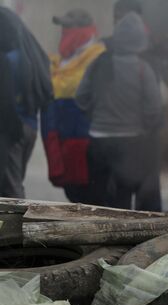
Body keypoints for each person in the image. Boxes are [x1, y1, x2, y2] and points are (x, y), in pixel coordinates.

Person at [75, 12, 162, 210]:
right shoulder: (143, 69)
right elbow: (154, 107)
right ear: (140, 40)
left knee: (98, 200)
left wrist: (95, 116)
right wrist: (144, 125)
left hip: (98, 140)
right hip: (131, 143)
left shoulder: (98, 63)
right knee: (123, 199)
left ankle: (94, 237)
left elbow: (80, 97)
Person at [41, 9, 106, 203]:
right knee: (73, 194)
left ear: (85, 30)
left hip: (86, 141)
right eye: (63, 27)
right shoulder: (60, 60)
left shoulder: (97, 57)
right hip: (62, 139)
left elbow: (76, 89)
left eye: (69, 27)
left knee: (91, 197)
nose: (64, 31)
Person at [0, 7, 53, 198]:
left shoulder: (8, 60)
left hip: (12, 130)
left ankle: (16, 227)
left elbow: (5, 101)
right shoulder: (30, 55)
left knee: (10, 189)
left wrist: (11, 130)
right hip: (30, 126)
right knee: (15, 183)